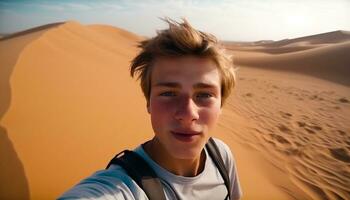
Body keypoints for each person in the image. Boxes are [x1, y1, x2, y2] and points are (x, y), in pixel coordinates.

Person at [59, 18, 242, 200]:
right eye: (169, 93)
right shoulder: (122, 188)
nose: (188, 115)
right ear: (148, 102)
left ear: (221, 105)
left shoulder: (221, 156)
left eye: (204, 95)